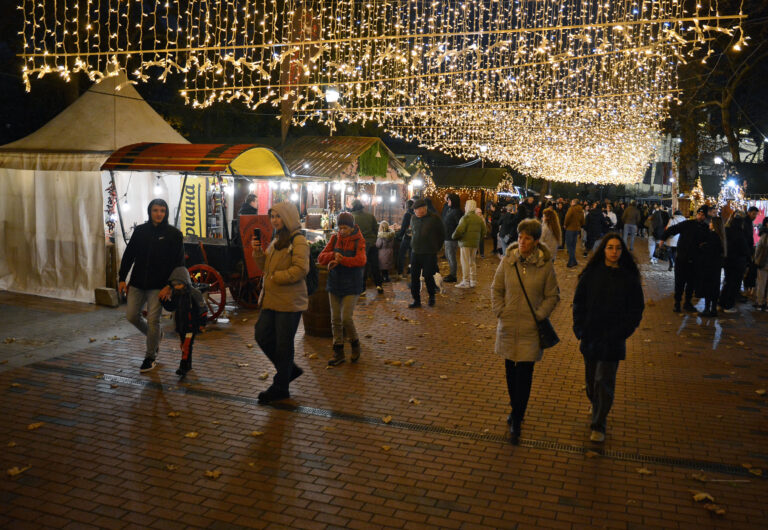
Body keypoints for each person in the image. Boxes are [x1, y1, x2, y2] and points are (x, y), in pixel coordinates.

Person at [491, 219, 559, 444]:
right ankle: (515, 408)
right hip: (509, 326)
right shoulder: (508, 261)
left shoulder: (545, 265)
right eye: (520, 237)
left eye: (527, 238)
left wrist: (539, 315)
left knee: (525, 375)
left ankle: (517, 417)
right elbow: (497, 287)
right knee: (510, 372)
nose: (522, 241)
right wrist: (500, 310)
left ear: (536, 241)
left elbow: (552, 295)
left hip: (530, 329)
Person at [573, 233, 644, 443]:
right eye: (610, 247)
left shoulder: (629, 278)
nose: (614, 252)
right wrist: (580, 328)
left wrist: (623, 331)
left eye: (618, 248)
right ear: (603, 250)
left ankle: (599, 423)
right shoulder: (591, 274)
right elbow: (579, 303)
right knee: (591, 381)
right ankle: (596, 405)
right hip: (591, 335)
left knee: (604, 381)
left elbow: (635, 310)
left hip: (613, 338)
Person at [251, 201, 309, 403]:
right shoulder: (277, 240)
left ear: (288, 217)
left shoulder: (298, 240)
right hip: (271, 299)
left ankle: (280, 386)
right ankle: (288, 370)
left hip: (290, 302)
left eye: (278, 216)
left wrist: (277, 277)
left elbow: (301, 269)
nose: (274, 220)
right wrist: (258, 252)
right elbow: (265, 267)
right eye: (272, 216)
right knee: (262, 334)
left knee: (284, 344)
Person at [118, 199, 184, 373]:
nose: (159, 214)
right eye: (155, 210)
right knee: (132, 316)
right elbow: (129, 255)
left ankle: (150, 357)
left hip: (159, 286)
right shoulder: (140, 231)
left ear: (166, 212)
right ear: (150, 211)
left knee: (154, 320)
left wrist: (169, 286)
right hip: (138, 283)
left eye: (162, 210)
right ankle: (155, 336)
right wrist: (122, 278)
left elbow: (178, 264)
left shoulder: (174, 234)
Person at [318, 212, 367, 366]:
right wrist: (334, 255)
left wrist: (343, 260)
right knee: (335, 320)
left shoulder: (359, 240)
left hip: (352, 284)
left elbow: (361, 260)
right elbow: (321, 257)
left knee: (346, 317)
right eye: (340, 227)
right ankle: (338, 352)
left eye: (345, 227)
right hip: (335, 282)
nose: (342, 231)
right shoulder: (334, 238)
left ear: (352, 227)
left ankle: (355, 344)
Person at [661, 205, 710, 313]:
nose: (700, 216)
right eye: (699, 214)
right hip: (682, 258)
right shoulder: (688, 223)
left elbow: (707, 243)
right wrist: (663, 238)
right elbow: (673, 229)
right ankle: (677, 303)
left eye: (703, 215)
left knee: (691, 283)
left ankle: (687, 303)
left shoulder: (706, 228)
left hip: (695, 260)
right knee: (679, 283)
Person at [160, 266, 207, 377]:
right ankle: (188, 364)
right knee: (184, 345)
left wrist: (202, 324)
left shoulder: (194, 294)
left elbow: (202, 309)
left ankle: (183, 366)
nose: (176, 287)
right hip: (181, 326)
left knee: (186, 345)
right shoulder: (176, 293)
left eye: (179, 284)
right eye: (174, 285)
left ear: (185, 282)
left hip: (191, 325)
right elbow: (172, 307)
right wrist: (164, 302)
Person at [409, 198, 445, 308]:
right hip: (415, 252)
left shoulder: (434, 218)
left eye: (417, 210)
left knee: (428, 276)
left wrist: (436, 248)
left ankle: (431, 297)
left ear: (423, 209)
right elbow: (413, 231)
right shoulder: (413, 218)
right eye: (414, 211)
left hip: (429, 253)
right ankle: (416, 300)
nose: (415, 212)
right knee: (414, 277)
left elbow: (442, 234)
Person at [719, 213, 751, 313]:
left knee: (727, 282)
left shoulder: (727, 231)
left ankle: (721, 303)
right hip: (738, 262)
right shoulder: (740, 234)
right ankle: (728, 305)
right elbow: (744, 249)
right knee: (734, 284)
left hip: (727, 261)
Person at [452, 199, 487, 288]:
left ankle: (465, 281)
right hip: (475, 243)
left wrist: (454, 236)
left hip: (465, 243)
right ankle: (473, 281)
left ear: (467, 207)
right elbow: (484, 231)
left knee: (465, 262)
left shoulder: (465, 218)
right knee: (472, 262)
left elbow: (459, 231)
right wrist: (478, 238)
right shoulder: (478, 219)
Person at [350, 199, 383, 293]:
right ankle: (379, 285)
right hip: (372, 244)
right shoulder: (370, 216)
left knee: (362, 266)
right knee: (375, 265)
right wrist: (373, 239)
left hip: (360, 245)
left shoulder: (352, 218)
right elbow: (376, 229)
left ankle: (362, 289)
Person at [698, 217, 726, 317]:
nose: (709, 224)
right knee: (714, 287)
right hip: (716, 266)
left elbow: (709, 250)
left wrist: (703, 246)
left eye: (711, 222)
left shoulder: (713, 236)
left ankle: (707, 309)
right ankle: (713, 309)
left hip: (709, 265)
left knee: (708, 287)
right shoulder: (721, 236)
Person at [441, 193, 462, 283]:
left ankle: (453, 276)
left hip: (451, 238)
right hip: (447, 236)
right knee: (448, 256)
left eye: (449, 200)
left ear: (453, 201)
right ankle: (451, 273)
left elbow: (459, 225)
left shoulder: (457, 211)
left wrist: (454, 235)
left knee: (451, 256)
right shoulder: (450, 209)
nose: (447, 201)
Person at [395, 199, 414, 280]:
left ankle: (400, 272)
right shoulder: (415, 213)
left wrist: (399, 236)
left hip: (407, 237)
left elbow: (403, 227)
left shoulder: (407, 214)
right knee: (411, 255)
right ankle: (410, 271)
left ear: (407, 206)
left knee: (401, 254)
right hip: (414, 237)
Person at [563, 199, 584, 267]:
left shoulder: (571, 209)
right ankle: (574, 261)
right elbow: (583, 220)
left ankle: (571, 262)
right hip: (576, 229)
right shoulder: (581, 210)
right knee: (573, 245)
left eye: (571, 202)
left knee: (569, 245)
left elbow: (567, 217)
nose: (571, 203)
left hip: (570, 228)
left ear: (574, 203)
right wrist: (579, 225)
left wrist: (565, 224)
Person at [753, 218, 768, 311]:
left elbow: (758, 250)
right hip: (764, 263)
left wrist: (756, 259)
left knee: (761, 284)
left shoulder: (764, 236)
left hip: (763, 263)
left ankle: (759, 302)